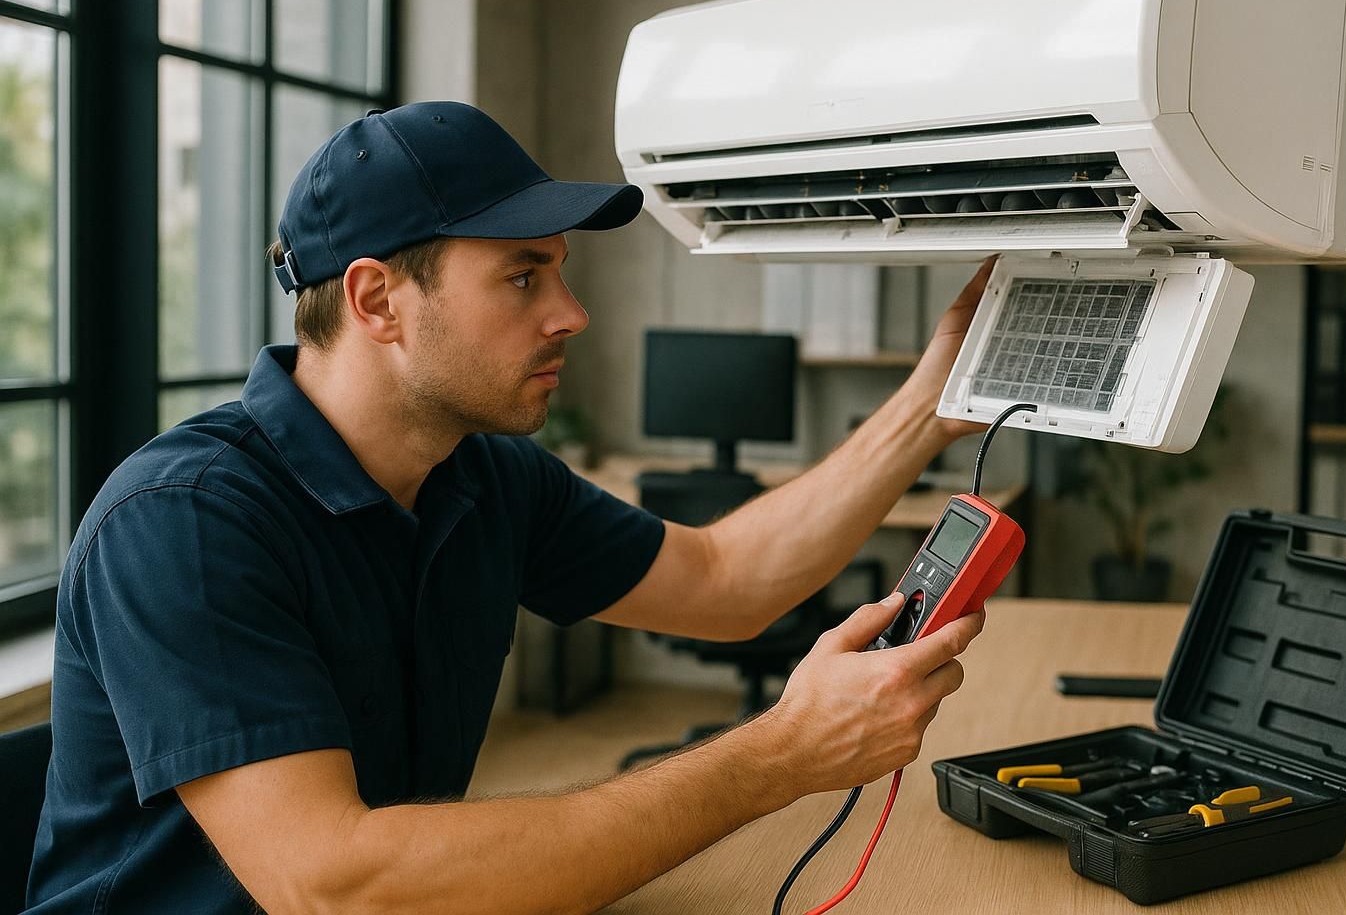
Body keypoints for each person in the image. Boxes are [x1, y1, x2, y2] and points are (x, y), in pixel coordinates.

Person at [25, 102, 997, 914]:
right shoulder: (185, 523)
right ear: (376, 303)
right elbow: (334, 885)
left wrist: (925, 407)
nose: (570, 313)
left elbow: (723, 581)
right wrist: (778, 754)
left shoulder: (481, 473)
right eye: (523, 276)